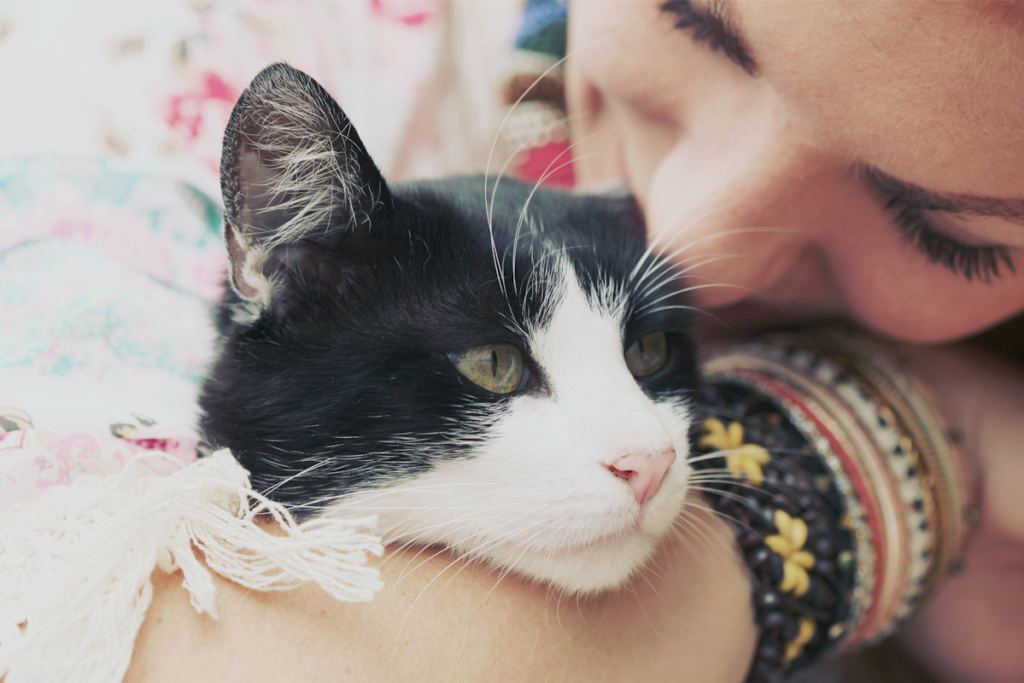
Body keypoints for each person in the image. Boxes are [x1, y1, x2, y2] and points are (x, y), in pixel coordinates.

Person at [124, 2, 1024, 682]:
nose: (686, 221)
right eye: (698, 25)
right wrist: (888, 438)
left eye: (940, 228)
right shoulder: (191, 52)